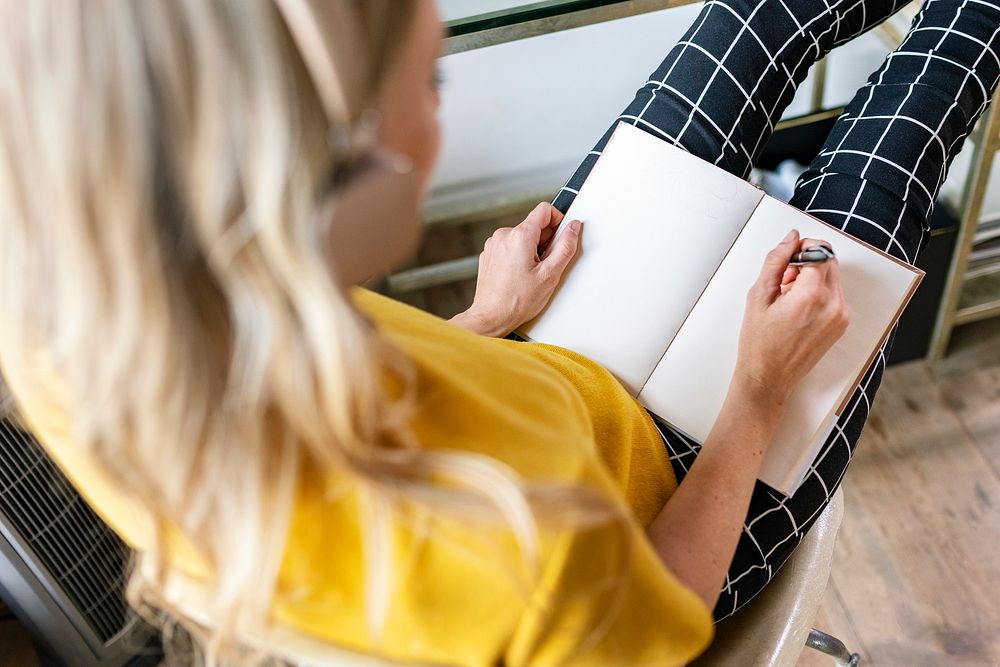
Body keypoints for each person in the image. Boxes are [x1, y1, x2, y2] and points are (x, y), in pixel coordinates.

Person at [0, 0, 996, 665]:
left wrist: (483, 324)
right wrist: (755, 391)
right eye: (427, 84)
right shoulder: (508, 563)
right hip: (686, 506)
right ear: (321, 170)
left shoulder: (98, 319)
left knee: (760, 15)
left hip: (546, 372)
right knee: (927, 91)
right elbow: (673, 607)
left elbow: (369, 384)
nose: (440, 119)